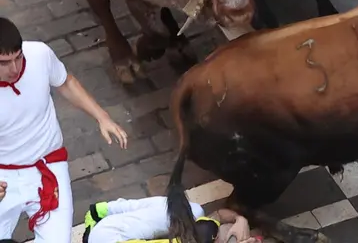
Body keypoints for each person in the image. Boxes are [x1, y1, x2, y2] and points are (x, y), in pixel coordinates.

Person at [0, 17, 128, 242]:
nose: (14, 68)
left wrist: (102, 116)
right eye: (3, 62)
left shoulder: (39, 54)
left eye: (18, 57)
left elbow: (65, 82)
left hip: (47, 165)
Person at [82, 196, 260, 243]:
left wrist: (239, 220)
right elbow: (219, 216)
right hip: (105, 234)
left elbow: (219, 215)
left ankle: (99, 215)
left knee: (194, 211)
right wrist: (240, 220)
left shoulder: (201, 232)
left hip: (104, 233)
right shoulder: (201, 232)